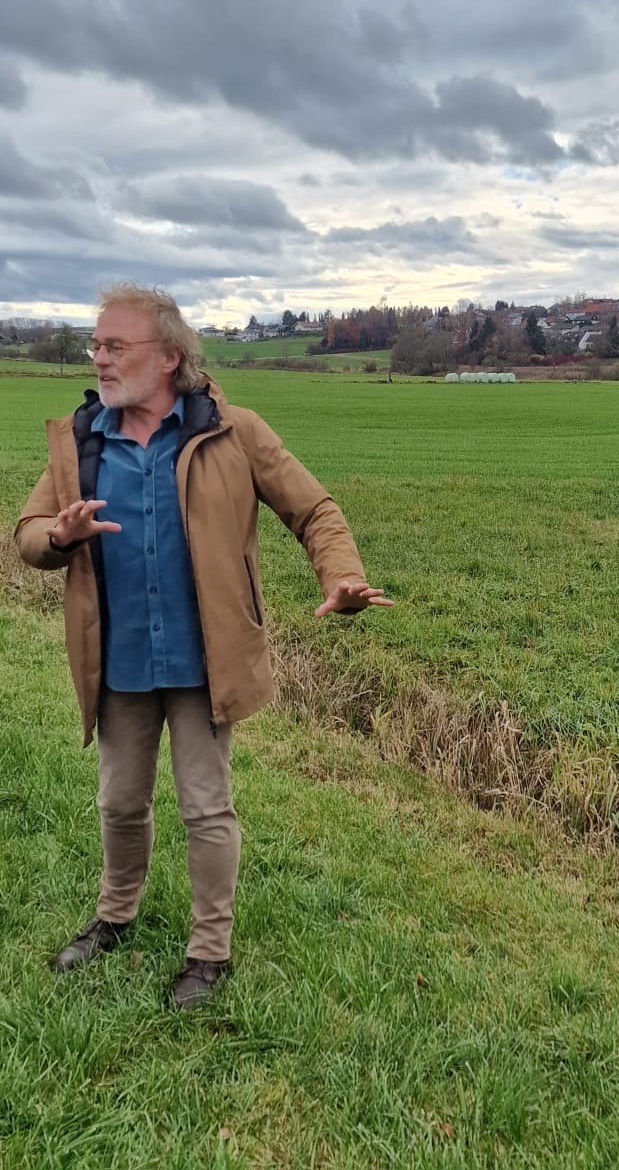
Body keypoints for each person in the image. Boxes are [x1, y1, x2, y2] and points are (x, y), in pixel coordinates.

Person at [14, 283, 392, 1008]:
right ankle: (114, 917)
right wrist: (58, 535)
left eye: (115, 346)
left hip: (204, 660)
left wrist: (343, 576)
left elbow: (313, 509)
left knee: (205, 807)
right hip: (118, 658)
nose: (99, 358)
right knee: (120, 803)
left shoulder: (234, 432)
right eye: (97, 346)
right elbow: (27, 532)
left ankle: (208, 952)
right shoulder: (82, 441)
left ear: (170, 358)